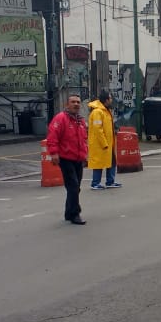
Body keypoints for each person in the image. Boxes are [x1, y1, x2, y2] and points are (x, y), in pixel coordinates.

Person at [47, 94, 89, 225]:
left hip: (78, 158)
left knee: (75, 187)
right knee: (73, 186)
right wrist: (54, 153)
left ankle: (68, 212)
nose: (76, 104)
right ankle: (75, 213)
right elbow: (52, 137)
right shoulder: (60, 119)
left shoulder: (80, 121)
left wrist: (85, 156)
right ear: (67, 104)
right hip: (66, 158)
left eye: (78, 102)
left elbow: (83, 140)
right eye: (73, 102)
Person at [87, 89, 120, 190]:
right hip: (100, 144)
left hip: (109, 143)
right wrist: (104, 143)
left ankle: (110, 181)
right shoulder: (98, 112)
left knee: (112, 161)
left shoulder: (106, 111)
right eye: (110, 98)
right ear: (106, 100)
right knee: (98, 163)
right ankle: (95, 183)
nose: (111, 100)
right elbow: (98, 129)